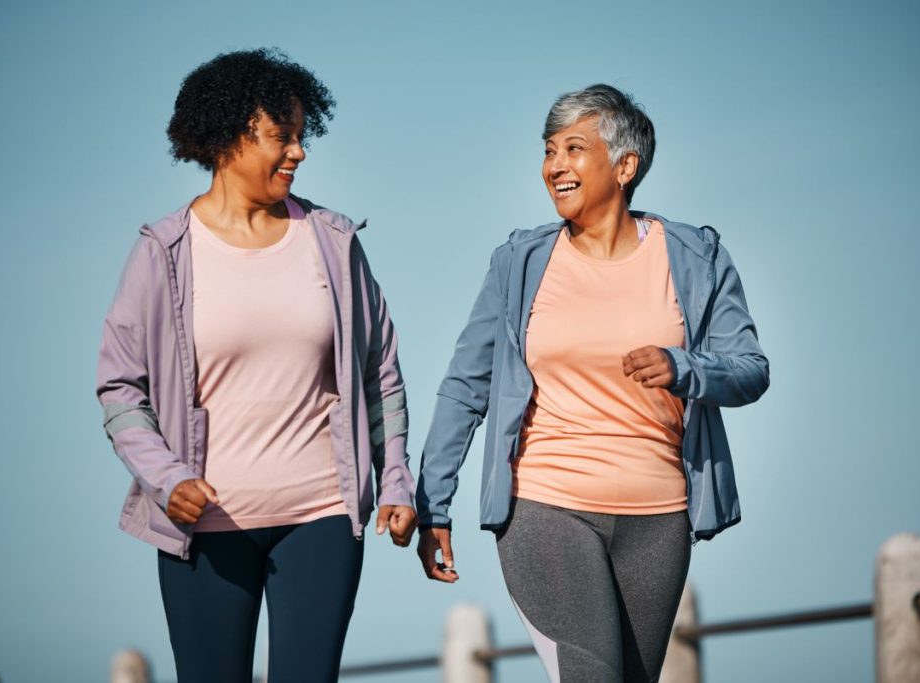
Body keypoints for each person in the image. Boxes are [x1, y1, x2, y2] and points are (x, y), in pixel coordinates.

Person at [415, 84, 769, 681]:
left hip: (659, 516)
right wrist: (434, 502)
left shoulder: (694, 258)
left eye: (573, 149)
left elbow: (749, 370)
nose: (555, 166)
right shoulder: (520, 264)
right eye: (549, 151)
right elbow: (465, 385)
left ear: (625, 166)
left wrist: (685, 368)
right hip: (546, 504)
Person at [96, 49, 417, 683]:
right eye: (282, 136)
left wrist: (397, 478)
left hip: (322, 515)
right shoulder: (163, 252)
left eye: (302, 135)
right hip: (206, 527)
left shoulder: (334, 241)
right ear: (228, 138)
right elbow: (119, 388)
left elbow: (381, 373)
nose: (299, 152)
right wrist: (166, 479)